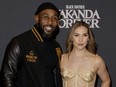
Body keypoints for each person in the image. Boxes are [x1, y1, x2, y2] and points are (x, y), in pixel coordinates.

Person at [0, 2, 63, 87]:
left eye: (54, 18)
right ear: (37, 18)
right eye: (45, 17)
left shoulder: (56, 47)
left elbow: (58, 78)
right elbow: (7, 76)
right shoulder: (19, 42)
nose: (50, 22)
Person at [60, 21, 110, 87]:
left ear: (88, 38)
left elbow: (106, 80)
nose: (81, 40)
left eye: (85, 35)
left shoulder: (96, 60)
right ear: (71, 38)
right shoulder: (63, 58)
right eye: (76, 35)